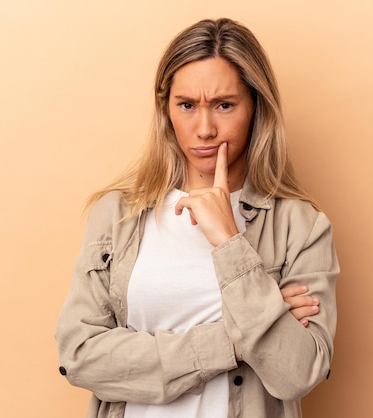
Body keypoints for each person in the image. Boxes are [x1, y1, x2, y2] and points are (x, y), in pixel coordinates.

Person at [55, 18, 339, 418]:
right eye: (186, 105)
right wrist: (233, 344)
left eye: (225, 105)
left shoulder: (300, 226)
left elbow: (297, 373)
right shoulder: (118, 215)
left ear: (255, 107)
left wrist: (229, 241)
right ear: (166, 109)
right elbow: (80, 355)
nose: (204, 129)